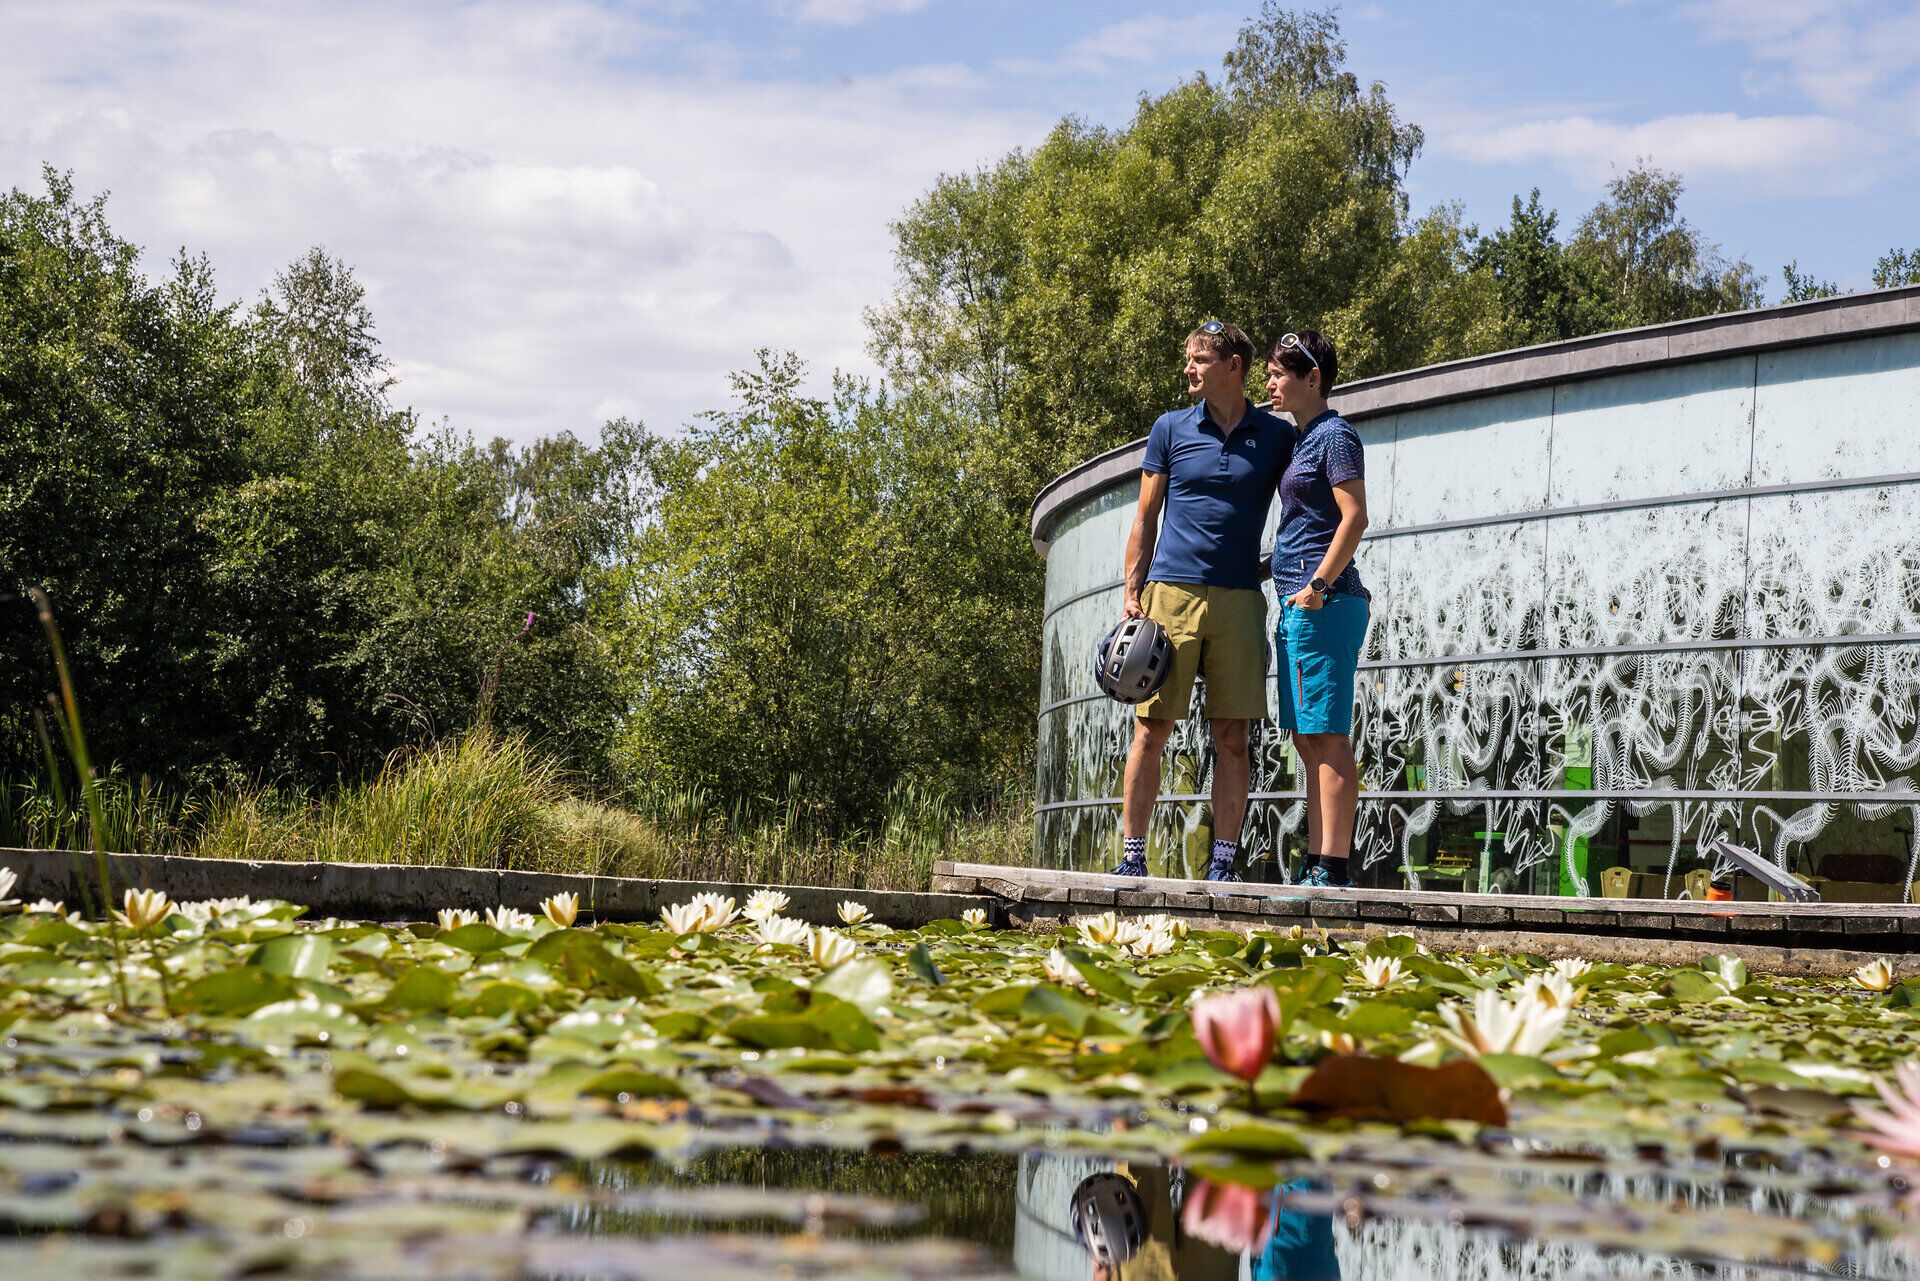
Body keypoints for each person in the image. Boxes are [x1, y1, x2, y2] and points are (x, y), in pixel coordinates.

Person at [1116, 321, 1291, 882]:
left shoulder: (1277, 437)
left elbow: (1306, 508)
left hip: (1241, 599)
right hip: (1170, 594)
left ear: (1233, 366)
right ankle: (1133, 857)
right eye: (1188, 359)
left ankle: (1223, 865)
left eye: (1199, 360)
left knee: (1232, 736)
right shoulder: (1169, 428)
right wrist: (1131, 591)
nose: (1188, 369)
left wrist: (1271, 568)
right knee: (1152, 729)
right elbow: (1145, 516)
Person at [1265, 329, 1369, 889]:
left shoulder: (1335, 436)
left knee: (1327, 736)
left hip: (1325, 604)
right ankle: (1315, 862)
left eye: (1282, 373)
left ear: (1313, 380)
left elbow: (1354, 517)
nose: (1271, 382)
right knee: (1307, 738)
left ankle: (1334, 865)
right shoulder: (1302, 438)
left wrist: (1318, 587)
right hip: (1300, 605)